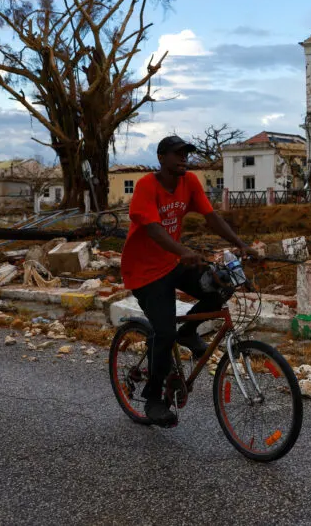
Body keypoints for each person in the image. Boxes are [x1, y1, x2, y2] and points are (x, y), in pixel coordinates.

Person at [121, 135, 252, 426]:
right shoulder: (146, 186)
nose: (184, 159)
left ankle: (189, 331)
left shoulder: (190, 182)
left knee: (220, 283)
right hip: (144, 272)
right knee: (164, 333)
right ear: (161, 158)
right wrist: (183, 251)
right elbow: (153, 228)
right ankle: (153, 399)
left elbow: (211, 217)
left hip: (172, 262)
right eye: (177, 154)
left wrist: (241, 244)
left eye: (186, 154)